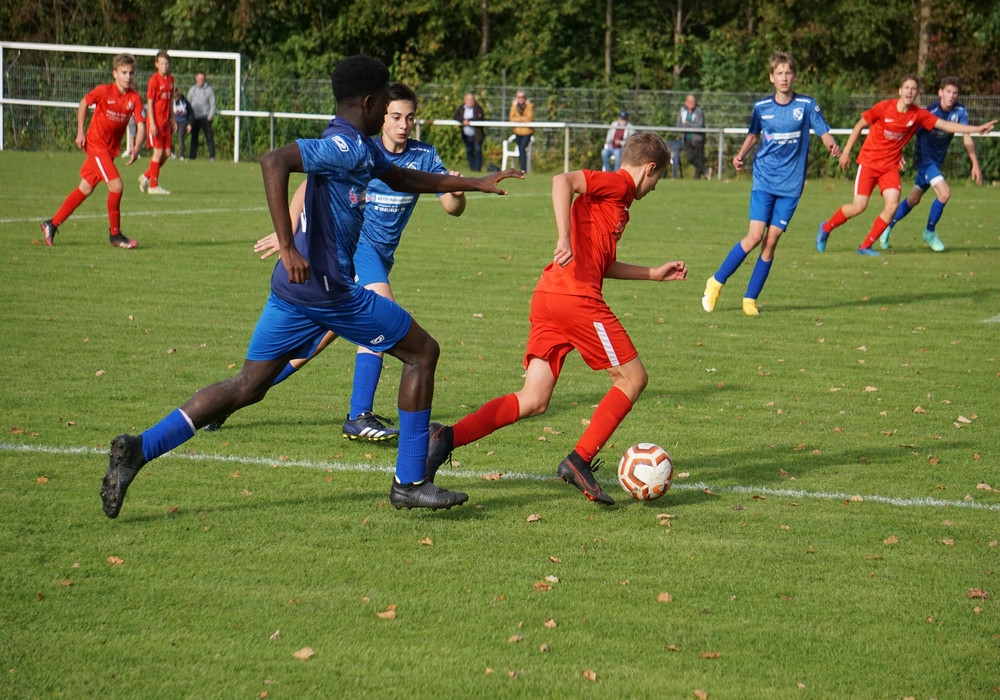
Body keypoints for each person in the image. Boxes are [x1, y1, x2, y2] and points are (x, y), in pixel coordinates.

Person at [100, 56, 522, 519]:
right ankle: (410, 481)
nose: (390, 111)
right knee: (423, 353)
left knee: (248, 386)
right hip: (328, 290)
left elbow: (401, 176)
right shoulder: (345, 146)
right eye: (385, 101)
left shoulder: (356, 145)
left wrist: (472, 183)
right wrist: (287, 245)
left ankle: (140, 448)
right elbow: (274, 161)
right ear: (369, 102)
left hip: (293, 292)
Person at [423, 132, 687, 506]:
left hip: (550, 295)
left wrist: (652, 274)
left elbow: (600, 263)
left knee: (533, 399)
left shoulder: (618, 203)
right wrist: (563, 237)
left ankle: (444, 438)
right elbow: (563, 180)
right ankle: (579, 460)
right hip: (575, 298)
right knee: (633, 378)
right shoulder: (619, 185)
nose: (656, 187)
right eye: (658, 178)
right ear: (650, 168)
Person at [205, 82, 469, 442]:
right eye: (395, 117)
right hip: (355, 250)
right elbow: (306, 186)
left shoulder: (423, 155)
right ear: (381, 115)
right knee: (382, 313)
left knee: (308, 347)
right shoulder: (363, 149)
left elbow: (452, 208)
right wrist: (288, 234)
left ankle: (227, 402)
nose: (403, 125)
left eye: (409, 118)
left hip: (374, 261)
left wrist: (457, 191)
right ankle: (359, 416)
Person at [702, 51, 841, 317]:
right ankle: (716, 282)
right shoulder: (762, 107)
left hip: (791, 185)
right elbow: (753, 134)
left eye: (788, 73)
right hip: (764, 179)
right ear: (771, 77)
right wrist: (741, 155)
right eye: (779, 73)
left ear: (795, 76)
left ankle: (750, 299)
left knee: (771, 240)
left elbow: (823, 131)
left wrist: (832, 145)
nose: (784, 77)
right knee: (755, 236)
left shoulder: (806, 105)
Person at [817, 74, 995, 256]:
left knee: (892, 205)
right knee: (859, 206)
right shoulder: (884, 107)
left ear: (917, 93)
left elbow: (946, 126)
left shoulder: (918, 114)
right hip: (869, 163)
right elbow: (859, 125)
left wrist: (978, 129)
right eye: (907, 88)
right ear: (900, 90)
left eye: (913, 89)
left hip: (889, 167)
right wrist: (846, 152)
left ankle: (865, 246)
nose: (910, 92)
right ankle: (826, 227)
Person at [39, 52, 145, 249]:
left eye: (131, 73)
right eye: (124, 72)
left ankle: (51, 224)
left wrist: (137, 147)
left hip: (109, 151)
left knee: (85, 189)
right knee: (117, 186)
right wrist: (80, 132)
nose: (128, 76)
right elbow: (84, 103)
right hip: (96, 146)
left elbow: (141, 125)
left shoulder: (135, 98)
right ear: (115, 73)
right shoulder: (104, 91)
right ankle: (115, 235)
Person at [879, 76, 984, 253]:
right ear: (940, 93)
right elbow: (908, 130)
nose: (951, 96)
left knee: (913, 199)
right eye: (948, 92)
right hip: (924, 159)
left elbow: (966, 136)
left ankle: (886, 227)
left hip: (936, 161)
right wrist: (898, 152)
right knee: (945, 193)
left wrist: (975, 164)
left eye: (955, 93)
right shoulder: (930, 112)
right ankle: (929, 232)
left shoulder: (960, 111)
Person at [138, 50, 175, 195]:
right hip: (156, 122)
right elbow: (150, 102)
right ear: (156, 64)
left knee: (167, 153)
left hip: (165, 122)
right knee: (158, 152)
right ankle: (153, 186)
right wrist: (152, 123)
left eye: (166, 63)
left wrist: (172, 118)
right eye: (162, 63)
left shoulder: (170, 79)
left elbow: (170, 100)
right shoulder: (154, 81)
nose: (164, 66)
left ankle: (147, 175)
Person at [187, 71, 216, 161]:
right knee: (194, 138)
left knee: (209, 137)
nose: (201, 80)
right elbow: (188, 103)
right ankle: (192, 156)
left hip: (205, 117)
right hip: (194, 118)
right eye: (199, 78)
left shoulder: (209, 90)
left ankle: (212, 157)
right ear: (196, 78)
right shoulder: (192, 90)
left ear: (205, 79)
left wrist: (210, 116)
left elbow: (213, 104)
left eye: (202, 79)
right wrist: (189, 117)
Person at [676, 94, 707, 179]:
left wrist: (687, 124)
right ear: (686, 102)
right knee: (690, 157)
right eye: (690, 102)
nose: (692, 103)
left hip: (698, 139)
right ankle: (705, 170)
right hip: (686, 138)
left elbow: (699, 125)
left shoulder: (699, 111)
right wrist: (689, 126)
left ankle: (697, 179)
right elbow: (678, 125)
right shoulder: (682, 111)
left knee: (699, 158)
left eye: (693, 101)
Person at [454, 92, 485, 172]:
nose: (470, 101)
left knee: (477, 151)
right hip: (466, 135)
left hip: (476, 135)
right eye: (468, 100)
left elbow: (479, 118)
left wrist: (469, 121)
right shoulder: (462, 108)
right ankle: (472, 168)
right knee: (469, 151)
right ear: (465, 100)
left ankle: (477, 169)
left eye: (471, 99)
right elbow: (455, 117)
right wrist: (463, 121)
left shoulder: (478, 108)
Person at [509, 89, 534, 172]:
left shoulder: (529, 106)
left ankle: (523, 169)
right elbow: (511, 118)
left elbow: (529, 118)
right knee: (520, 149)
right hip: (517, 132)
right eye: (519, 97)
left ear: (525, 97)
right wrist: (522, 118)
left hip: (527, 132)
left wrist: (518, 119)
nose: (521, 99)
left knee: (522, 148)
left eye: (522, 97)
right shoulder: (514, 106)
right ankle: (522, 168)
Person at [171, 87, 193, 160]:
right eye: (174, 97)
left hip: (183, 121)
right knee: (167, 136)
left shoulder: (185, 102)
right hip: (173, 121)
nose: (175, 98)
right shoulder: (170, 102)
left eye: (176, 97)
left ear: (179, 96)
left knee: (180, 137)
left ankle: (182, 155)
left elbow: (191, 113)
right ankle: (171, 153)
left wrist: (189, 124)